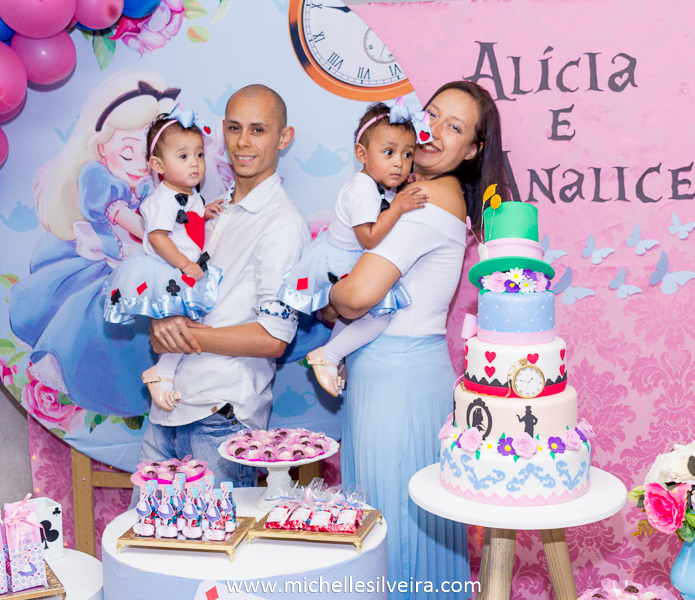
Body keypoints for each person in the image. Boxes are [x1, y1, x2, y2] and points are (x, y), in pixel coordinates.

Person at [327, 81, 505, 599]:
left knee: (392, 541)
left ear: (471, 151)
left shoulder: (431, 199)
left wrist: (329, 292)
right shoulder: (414, 197)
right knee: (397, 536)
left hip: (397, 383)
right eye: (432, 115)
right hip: (397, 376)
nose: (435, 131)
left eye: (455, 127)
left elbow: (356, 296)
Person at [9, 69, 231, 418]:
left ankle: (171, 376)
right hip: (134, 264)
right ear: (102, 147)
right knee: (110, 335)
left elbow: (179, 219)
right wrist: (182, 252)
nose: (138, 166)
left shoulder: (158, 189)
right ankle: (153, 377)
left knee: (182, 323)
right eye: (128, 154)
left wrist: (203, 213)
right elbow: (146, 229)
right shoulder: (109, 188)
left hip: (163, 263)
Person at [143, 85, 310, 487]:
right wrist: (162, 323)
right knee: (146, 528)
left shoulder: (283, 223)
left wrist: (183, 335)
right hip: (167, 410)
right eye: (235, 128)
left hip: (222, 418)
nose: (243, 141)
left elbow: (274, 339)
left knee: (218, 530)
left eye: (258, 129)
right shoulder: (208, 209)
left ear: (284, 138)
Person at [277, 101, 429, 397]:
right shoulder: (362, 189)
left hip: (345, 258)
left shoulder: (375, 183)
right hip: (342, 263)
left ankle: (334, 357)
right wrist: (398, 207)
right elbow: (369, 237)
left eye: (408, 154)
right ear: (362, 154)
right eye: (389, 152)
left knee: (352, 317)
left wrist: (404, 186)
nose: (399, 163)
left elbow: (385, 201)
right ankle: (329, 355)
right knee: (381, 316)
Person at [103, 109, 224, 411]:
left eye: (199, 154)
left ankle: (165, 372)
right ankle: (162, 373)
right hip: (166, 270)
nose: (194, 162)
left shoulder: (190, 193)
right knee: (178, 325)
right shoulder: (161, 200)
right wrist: (184, 264)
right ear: (158, 165)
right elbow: (158, 238)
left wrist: (204, 212)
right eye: (183, 156)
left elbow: (187, 224)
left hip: (181, 267)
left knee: (188, 324)